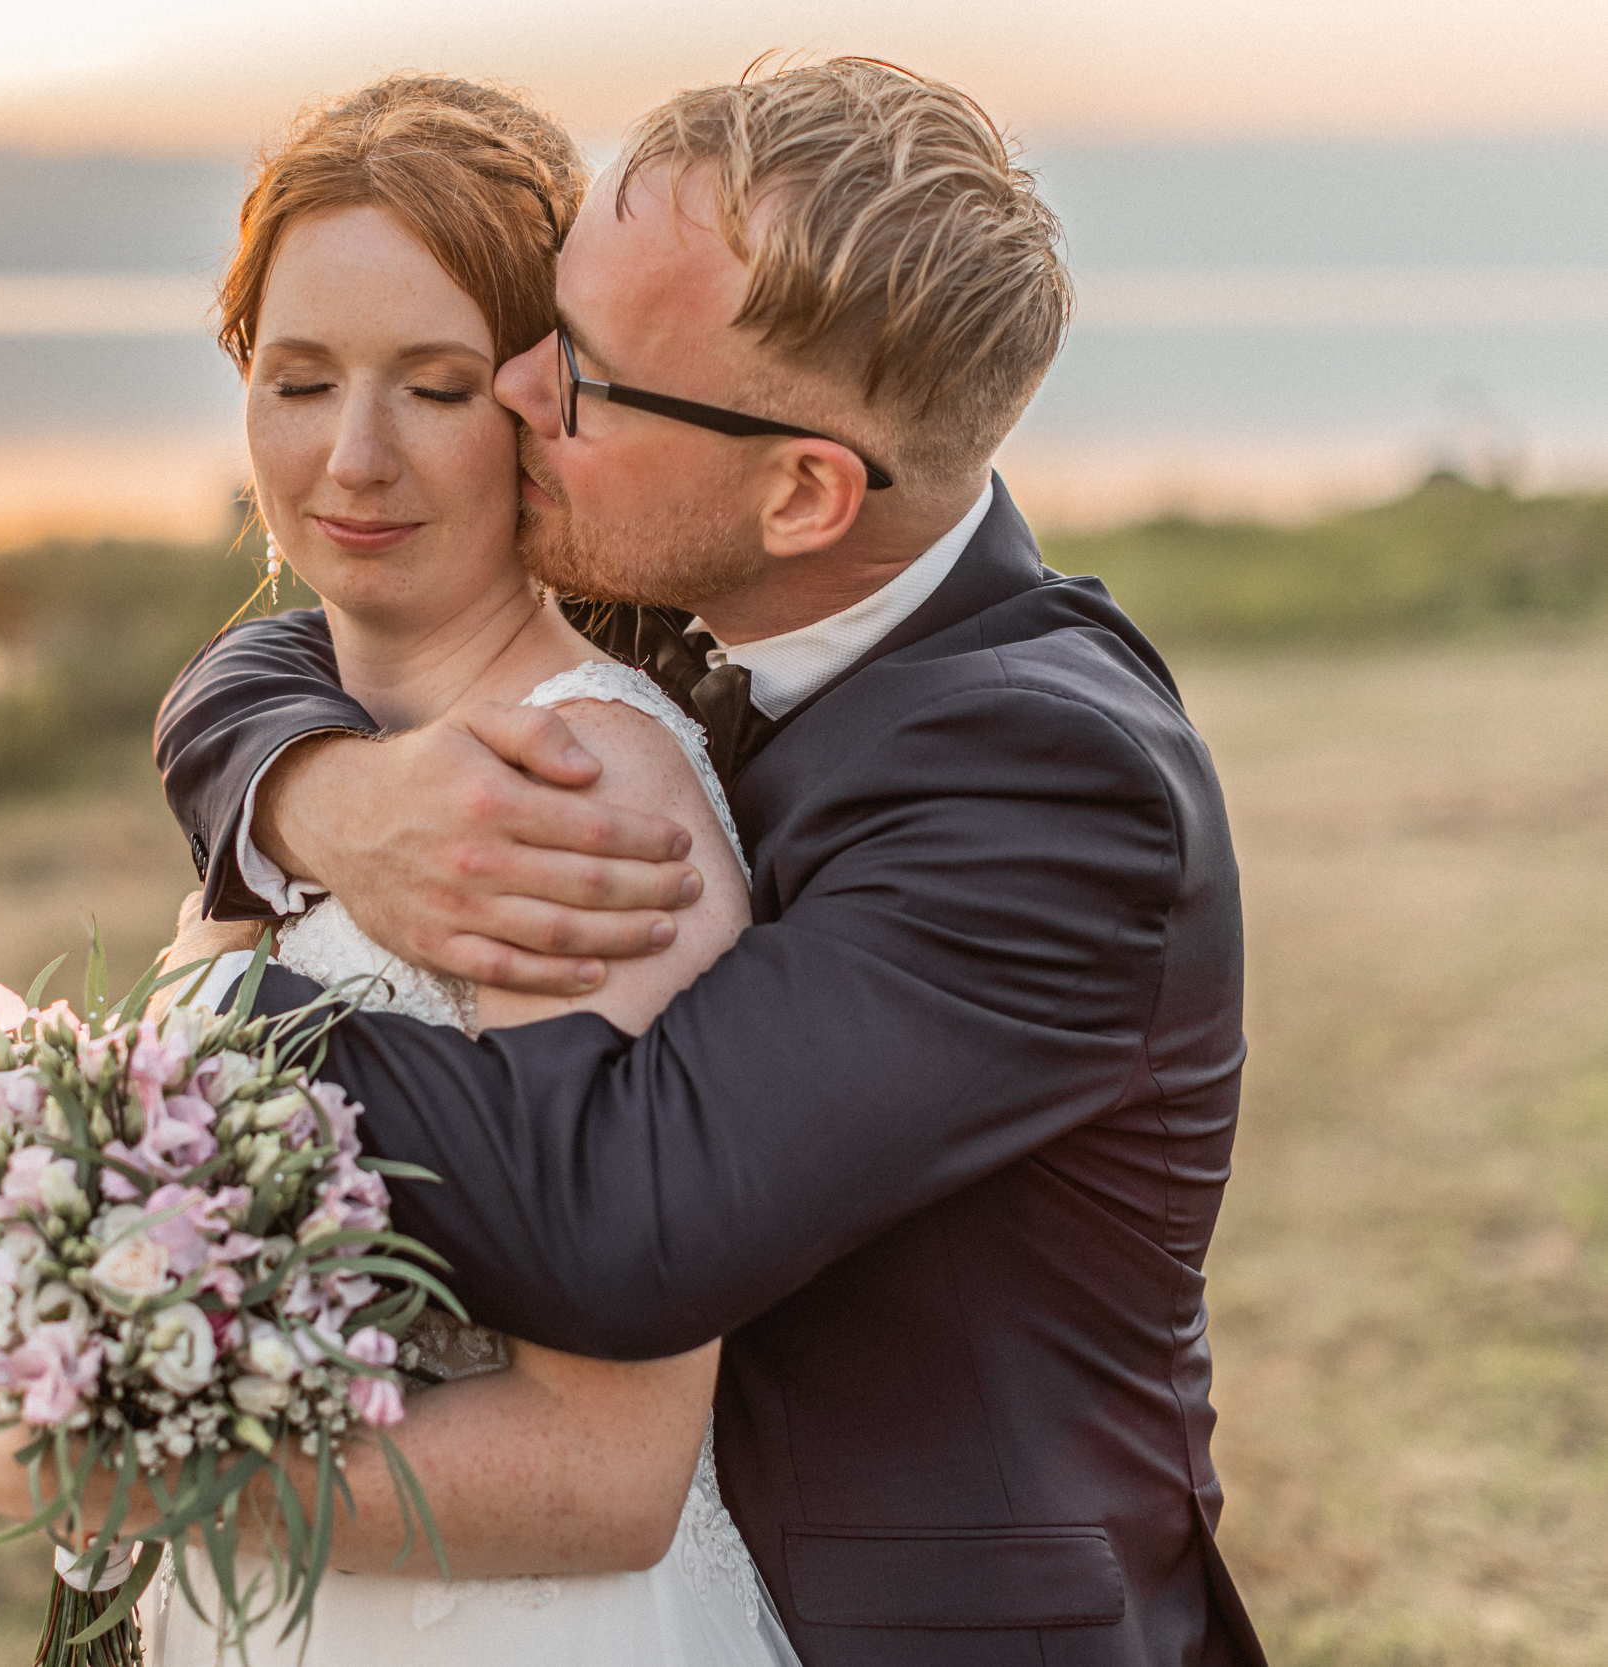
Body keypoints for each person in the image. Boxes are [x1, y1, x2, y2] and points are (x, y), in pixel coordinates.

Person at [151, 56, 1271, 1667]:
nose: (527, 389)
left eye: (582, 374)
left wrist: (203, 1035)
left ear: (803, 492)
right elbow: (286, 656)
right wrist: (312, 795)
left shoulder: (1047, 785)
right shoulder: (718, 594)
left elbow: (627, 1221)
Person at [0, 76, 799, 1667]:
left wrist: (132, 1464)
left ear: (544, 398)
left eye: (438, 387)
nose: (356, 459)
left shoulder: (577, 790)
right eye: (302, 380)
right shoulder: (303, 752)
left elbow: (614, 1471)